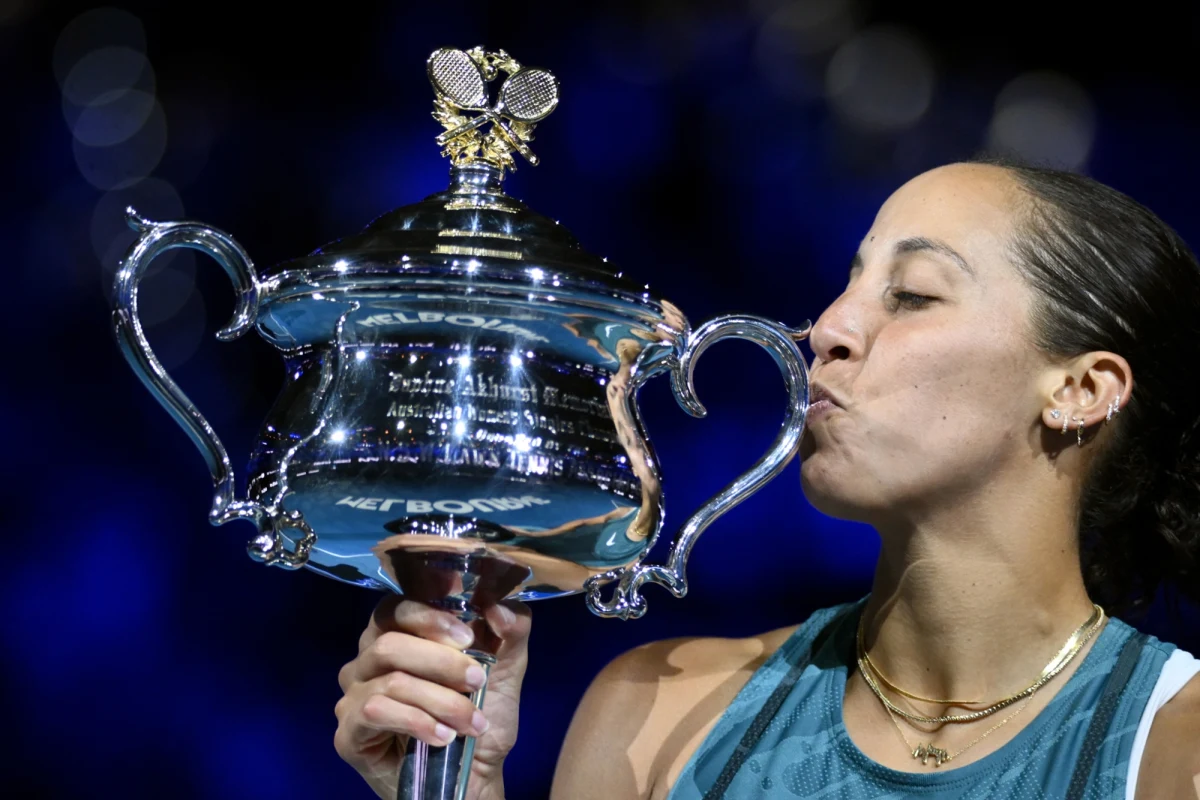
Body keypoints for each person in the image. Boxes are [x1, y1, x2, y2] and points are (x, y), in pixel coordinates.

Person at [332, 160, 1200, 799]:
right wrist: (456, 780)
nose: (828, 328)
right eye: (850, 284)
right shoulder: (656, 714)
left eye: (912, 294)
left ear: (1081, 391)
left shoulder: (1175, 743)